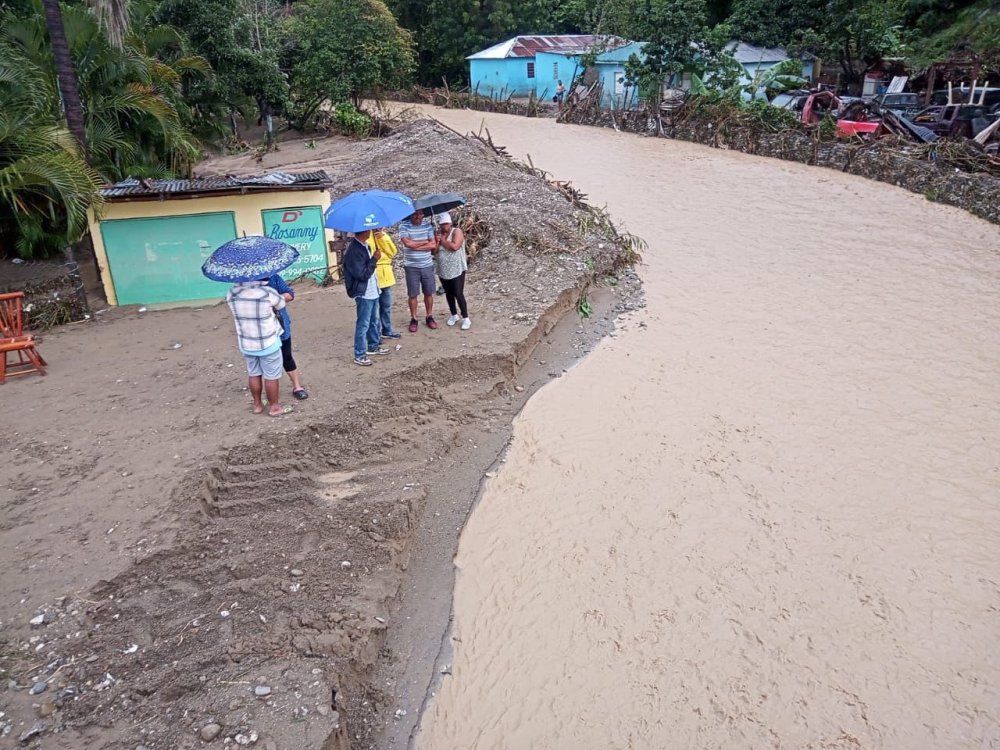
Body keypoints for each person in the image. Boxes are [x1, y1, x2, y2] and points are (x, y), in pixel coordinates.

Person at [226, 278, 292, 416]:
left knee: (254, 373)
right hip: (268, 342)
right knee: (271, 376)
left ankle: (257, 405)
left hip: (247, 343)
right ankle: (274, 407)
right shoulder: (267, 292)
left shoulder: (232, 293)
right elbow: (281, 303)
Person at [343, 228, 390, 366]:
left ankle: (373, 346)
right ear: (364, 231)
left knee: (374, 320)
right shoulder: (354, 250)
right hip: (363, 292)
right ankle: (359, 354)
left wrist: (373, 258)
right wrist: (374, 259)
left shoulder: (365, 246)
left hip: (372, 289)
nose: (370, 231)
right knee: (363, 324)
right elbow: (362, 275)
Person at [267, 273, 308, 400]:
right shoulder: (245, 284)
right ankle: (268, 395)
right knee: (264, 363)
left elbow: (290, 294)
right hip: (261, 332)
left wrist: (275, 300)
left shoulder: (273, 278)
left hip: (281, 324)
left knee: (286, 356)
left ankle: (297, 386)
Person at [397, 209, 438, 332]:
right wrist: (425, 242)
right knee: (413, 294)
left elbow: (433, 245)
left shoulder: (428, 225)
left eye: (419, 214)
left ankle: (429, 316)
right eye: (414, 214)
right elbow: (408, 244)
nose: (417, 216)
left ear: (423, 215)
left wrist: (416, 245)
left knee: (428, 292)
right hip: (411, 266)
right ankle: (414, 318)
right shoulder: (404, 226)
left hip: (427, 264)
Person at [434, 212, 471, 330]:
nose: (444, 226)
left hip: (457, 268)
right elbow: (433, 251)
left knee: (458, 293)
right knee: (448, 293)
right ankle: (454, 314)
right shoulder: (438, 234)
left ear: (450, 223)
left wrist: (443, 241)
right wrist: (437, 241)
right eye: (442, 224)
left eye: (446, 224)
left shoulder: (456, 231)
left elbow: (455, 246)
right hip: (443, 269)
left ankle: (465, 317)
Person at [368, 229, 402, 340]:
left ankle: (387, 330)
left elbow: (392, 252)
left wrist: (382, 238)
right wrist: (382, 256)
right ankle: (376, 333)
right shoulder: (366, 237)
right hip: (373, 275)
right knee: (375, 308)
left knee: (386, 306)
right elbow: (370, 255)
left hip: (386, 276)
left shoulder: (384, 235)